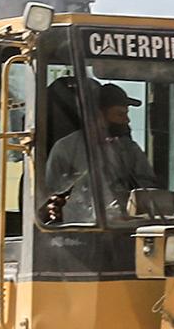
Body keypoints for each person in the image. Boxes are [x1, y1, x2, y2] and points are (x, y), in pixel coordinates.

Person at [41, 82, 158, 225]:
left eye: (126, 114)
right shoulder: (66, 149)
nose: (127, 120)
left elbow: (148, 189)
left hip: (122, 229)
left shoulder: (130, 150)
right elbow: (50, 194)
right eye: (120, 114)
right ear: (97, 115)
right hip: (78, 231)